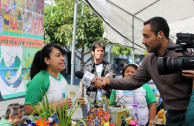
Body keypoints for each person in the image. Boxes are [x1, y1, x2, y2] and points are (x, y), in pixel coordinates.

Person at [92, 17, 192, 126]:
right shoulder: (149, 60)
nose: (143, 41)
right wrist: (107, 81)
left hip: (189, 115)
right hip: (170, 117)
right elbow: (133, 81)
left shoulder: (183, 56)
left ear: (160, 35)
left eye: (147, 36)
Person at [25, 44, 85, 114]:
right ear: (47, 60)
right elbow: (28, 109)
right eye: (58, 55)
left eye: (62, 55)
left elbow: (64, 101)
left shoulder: (61, 77)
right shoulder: (40, 79)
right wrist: (57, 106)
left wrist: (76, 102)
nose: (63, 58)